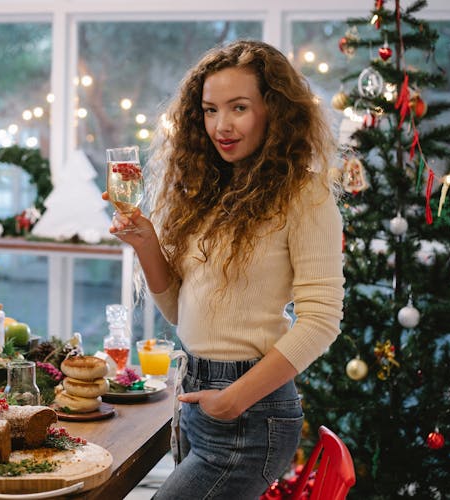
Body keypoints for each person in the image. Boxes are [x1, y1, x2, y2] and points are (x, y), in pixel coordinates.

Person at [103, 40, 345, 498]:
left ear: (273, 110)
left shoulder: (305, 195)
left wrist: (235, 399)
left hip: (250, 412)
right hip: (196, 390)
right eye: (210, 110)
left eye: (239, 108)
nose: (222, 126)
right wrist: (147, 245)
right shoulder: (211, 191)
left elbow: (320, 321)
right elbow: (179, 311)